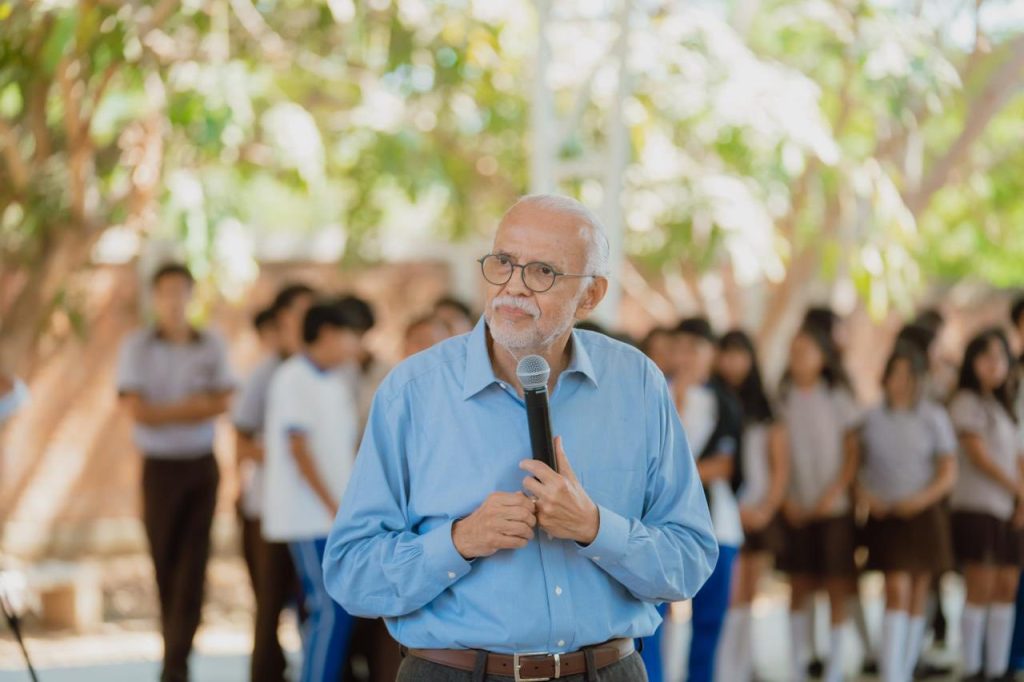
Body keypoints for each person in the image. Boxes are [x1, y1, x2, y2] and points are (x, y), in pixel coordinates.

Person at [323, 194, 718, 682]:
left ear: (591, 295)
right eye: (504, 263)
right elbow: (351, 573)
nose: (513, 287)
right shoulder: (413, 393)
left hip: (608, 670)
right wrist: (460, 541)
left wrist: (597, 527)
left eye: (543, 273)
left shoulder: (636, 383)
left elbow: (691, 559)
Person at [116, 263, 235, 682]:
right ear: (154, 298)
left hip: (201, 467)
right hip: (159, 470)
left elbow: (223, 400)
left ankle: (177, 663)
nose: (173, 300)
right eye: (164, 292)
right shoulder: (137, 346)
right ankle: (173, 652)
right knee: (164, 562)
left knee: (194, 566)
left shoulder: (212, 343)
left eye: (180, 291)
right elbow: (136, 411)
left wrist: (164, 411)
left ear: (191, 295)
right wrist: (192, 406)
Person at [263, 299, 367, 682]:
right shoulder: (294, 377)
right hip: (309, 516)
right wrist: (332, 506)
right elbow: (298, 449)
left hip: (332, 515)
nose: (355, 345)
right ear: (325, 334)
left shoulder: (334, 380)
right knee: (328, 605)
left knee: (331, 607)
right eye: (349, 336)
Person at [644, 316, 741, 682]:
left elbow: (726, 465)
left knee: (709, 619)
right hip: (656, 525)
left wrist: (679, 472)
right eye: (679, 348)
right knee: (652, 616)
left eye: (695, 349)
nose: (685, 357)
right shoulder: (652, 390)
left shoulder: (724, 403)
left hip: (718, 524)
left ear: (711, 354)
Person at [853, 342, 957, 682]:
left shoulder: (933, 417)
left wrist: (921, 499)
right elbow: (855, 466)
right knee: (895, 587)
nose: (899, 381)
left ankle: (905, 665)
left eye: (907, 375)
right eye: (894, 373)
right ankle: (890, 671)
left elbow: (948, 470)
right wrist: (868, 497)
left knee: (918, 590)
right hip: (885, 514)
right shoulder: (871, 417)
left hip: (923, 514)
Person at [777, 323, 861, 682]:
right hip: (795, 507)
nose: (798, 358)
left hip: (835, 509)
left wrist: (834, 494)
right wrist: (785, 500)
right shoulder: (781, 397)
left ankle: (836, 666)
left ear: (823, 358)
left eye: (806, 351)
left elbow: (852, 452)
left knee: (836, 585)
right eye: (794, 350)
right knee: (799, 584)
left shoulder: (838, 396)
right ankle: (797, 665)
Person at [241, 284, 316, 682]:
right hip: (269, 511)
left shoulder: (328, 372)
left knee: (315, 605)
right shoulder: (269, 374)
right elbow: (240, 443)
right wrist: (293, 457)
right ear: (282, 320)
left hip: (316, 513)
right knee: (270, 606)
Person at [714, 330, 789, 682]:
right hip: (723, 511)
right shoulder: (711, 401)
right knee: (730, 594)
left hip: (758, 513)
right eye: (726, 354)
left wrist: (766, 509)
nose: (732, 363)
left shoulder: (765, 411)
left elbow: (780, 466)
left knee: (750, 594)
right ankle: (727, 669)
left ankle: (743, 667)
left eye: (739, 354)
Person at [949, 329, 1023, 681]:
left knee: (1006, 585)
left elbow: (1017, 457)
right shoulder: (966, 401)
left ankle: (997, 667)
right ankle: (974, 666)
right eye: (986, 357)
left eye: (1000, 357)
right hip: (978, 506)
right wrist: (1018, 490)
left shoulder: (1006, 407)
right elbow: (980, 457)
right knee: (980, 584)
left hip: (1008, 507)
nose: (994, 365)